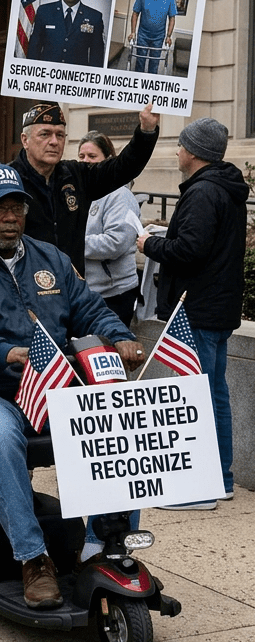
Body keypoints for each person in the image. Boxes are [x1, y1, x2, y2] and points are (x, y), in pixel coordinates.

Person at [0, 164, 143, 608]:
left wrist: (119, 336)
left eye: (17, 206)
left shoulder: (51, 259)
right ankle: (32, 558)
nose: (10, 216)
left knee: (116, 415)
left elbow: (88, 309)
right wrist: (4, 353)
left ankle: (102, 544)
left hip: (45, 389)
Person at [138, 117, 249, 510]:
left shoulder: (204, 192)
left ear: (195, 151)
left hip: (198, 308)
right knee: (213, 392)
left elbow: (190, 251)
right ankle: (221, 477)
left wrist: (149, 244)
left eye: (182, 145)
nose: (177, 151)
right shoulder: (224, 188)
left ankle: (203, 487)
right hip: (215, 306)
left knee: (198, 396)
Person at [11, 100, 159, 276]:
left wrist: (146, 131)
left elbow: (122, 168)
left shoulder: (75, 175)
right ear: (25, 140)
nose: (54, 142)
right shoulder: (9, 180)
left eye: (60, 135)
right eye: (45, 134)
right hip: (26, 287)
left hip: (71, 286)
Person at [77, 132, 141, 327]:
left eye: (92, 156)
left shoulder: (120, 195)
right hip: (85, 293)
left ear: (108, 160)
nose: (85, 161)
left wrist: (73, 243)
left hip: (114, 296)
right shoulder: (79, 190)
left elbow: (116, 243)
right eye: (81, 156)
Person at [26, 0, 106, 68]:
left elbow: (97, 56)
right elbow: (34, 49)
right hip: (46, 78)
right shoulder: (44, 11)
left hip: (77, 80)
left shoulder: (94, 17)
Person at [129, 0, 176, 74]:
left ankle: (149, 84)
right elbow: (135, 13)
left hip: (158, 37)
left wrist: (168, 36)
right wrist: (133, 32)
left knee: (154, 63)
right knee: (140, 62)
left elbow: (172, 18)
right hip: (143, 35)